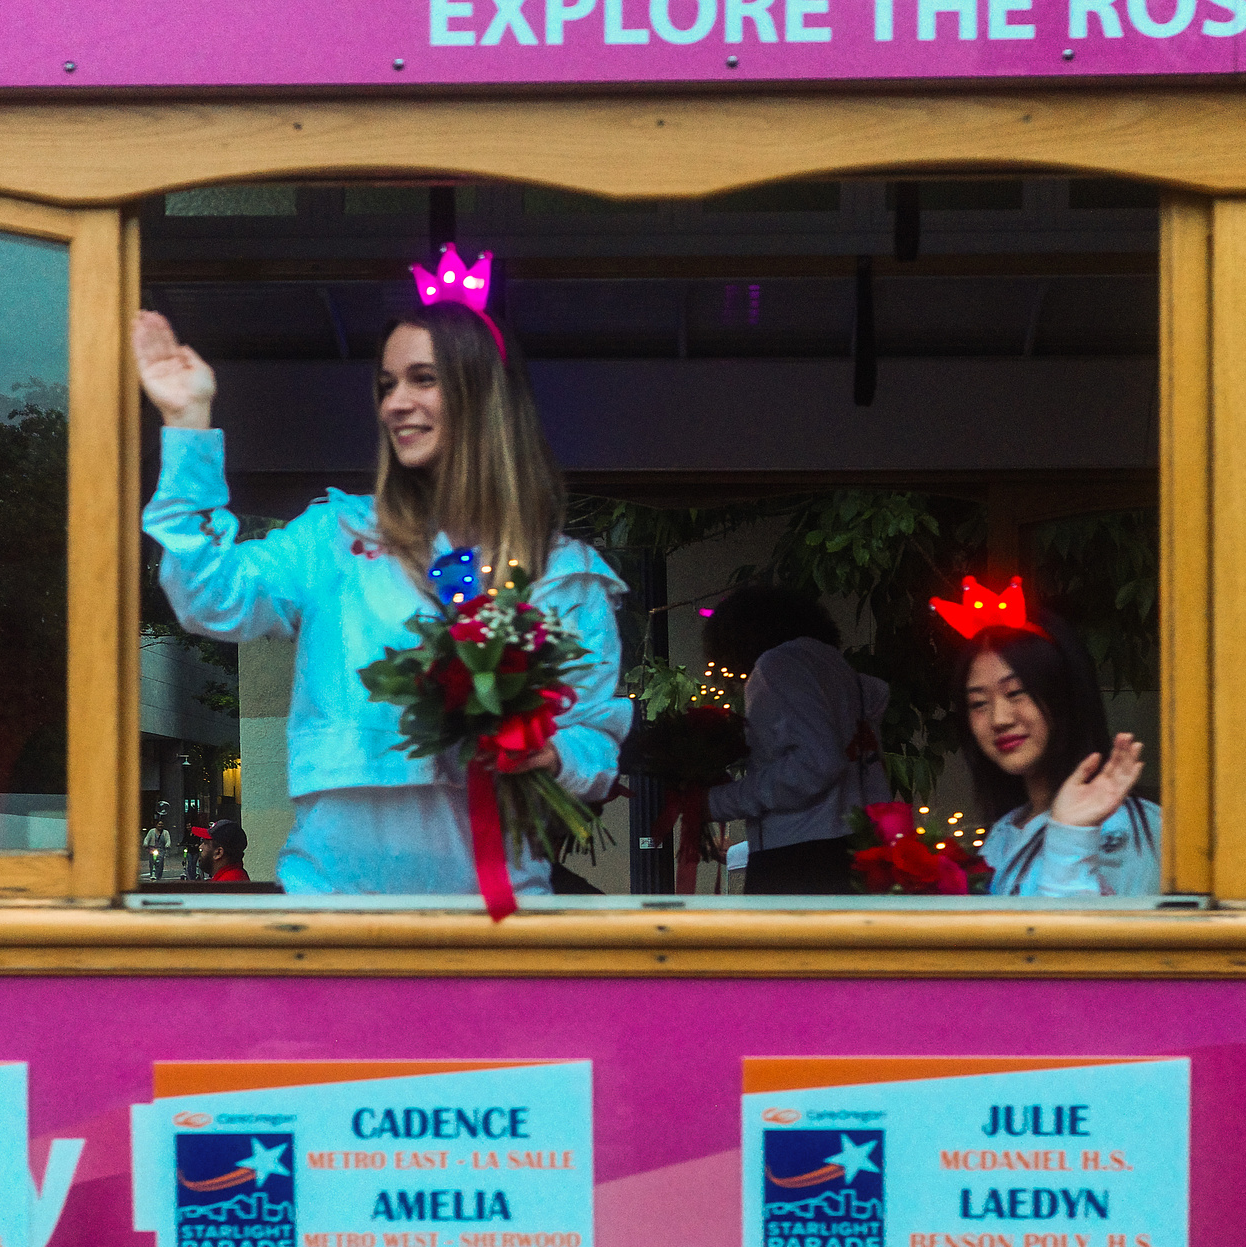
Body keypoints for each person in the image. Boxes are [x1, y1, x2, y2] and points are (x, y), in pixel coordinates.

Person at [136, 260, 629, 896]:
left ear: (485, 397)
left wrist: (551, 752)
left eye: (423, 380)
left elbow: (597, 740)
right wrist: (187, 422)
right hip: (338, 914)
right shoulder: (337, 540)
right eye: (387, 384)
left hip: (498, 921)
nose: (395, 403)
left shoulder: (566, 575)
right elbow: (210, 598)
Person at [703, 586, 890, 894]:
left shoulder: (778, 664)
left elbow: (817, 762)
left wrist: (717, 801)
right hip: (856, 848)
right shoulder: (837, 668)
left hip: (797, 858)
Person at [958, 612, 1158, 896]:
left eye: (1016, 692)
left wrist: (1073, 838)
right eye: (978, 703)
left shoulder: (1121, 825)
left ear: (1064, 695)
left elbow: (1092, 937)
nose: (999, 719)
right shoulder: (1004, 831)